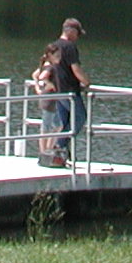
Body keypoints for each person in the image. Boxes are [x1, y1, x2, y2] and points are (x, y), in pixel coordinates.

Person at [50, 17, 89, 166]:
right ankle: (59, 147)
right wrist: (86, 82)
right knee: (80, 118)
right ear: (71, 32)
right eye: (78, 33)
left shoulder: (54, 45)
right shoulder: (69, 47)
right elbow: (76, 69)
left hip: (58, 91)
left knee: (66, 122)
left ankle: (63, 156)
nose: (78, 37)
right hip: (70, 92)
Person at [30, 41, 66, 164]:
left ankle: (48, 151)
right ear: (50, 55)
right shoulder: (50, 66)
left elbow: (35, 75)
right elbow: (41, 77)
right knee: (48, 127)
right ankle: (44, 152)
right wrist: (48, 85)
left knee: (56, 125)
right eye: (57, 56)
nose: (59, 58)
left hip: (51, 99)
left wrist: (38, 89)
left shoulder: (45, 64)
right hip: (50, 100)